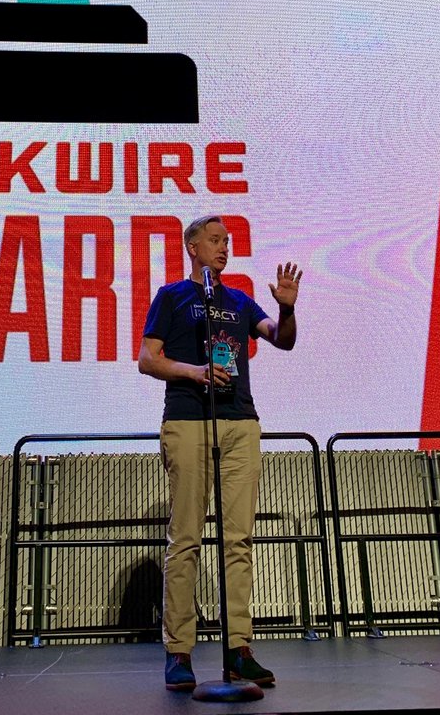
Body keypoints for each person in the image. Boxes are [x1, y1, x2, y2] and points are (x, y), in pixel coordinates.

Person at [138, 214, 301, 692]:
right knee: (186, 538)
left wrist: (287, 310)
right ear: (192, 247)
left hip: (239, 424)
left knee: (238, 540)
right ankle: (179, 651)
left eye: (226, 241)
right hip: (189, 422)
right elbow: (147, 359)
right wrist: (194, 372)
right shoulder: (172, 297)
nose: (223, 247)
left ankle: (238, 648)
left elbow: (282, 339)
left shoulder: (239, 301)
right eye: (214, 240)